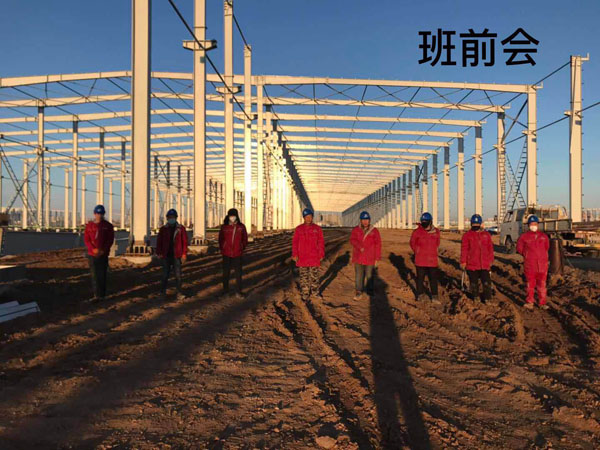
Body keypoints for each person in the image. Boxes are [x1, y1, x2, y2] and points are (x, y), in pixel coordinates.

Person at [516, 215, 550, 310]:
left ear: (538, 225)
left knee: (542, 285)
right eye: (531, 224)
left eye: (535, 224)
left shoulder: (543, 236)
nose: (533, 226)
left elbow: (547, 247)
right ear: (528, 225)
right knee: (530, 284)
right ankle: (530, 302)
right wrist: (527, 255)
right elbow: (519, 248)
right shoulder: (524, 237)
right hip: (530, 265)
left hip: (542, 265)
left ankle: (542, 303)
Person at [292, 208, 325, 301]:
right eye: (306, 217)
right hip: (302, 257)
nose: (308, 218)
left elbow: (321, 242)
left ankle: (315, 292)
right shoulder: (299, 229)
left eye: (310, 217)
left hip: (314, 256)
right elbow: (295, 242)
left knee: (314, 276)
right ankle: (305, 293)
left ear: (312, 217)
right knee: (304, 276)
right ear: (304, 218)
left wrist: (321, 254)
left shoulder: (317, 229)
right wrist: (295, 254)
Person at [83, 204, 115, 301]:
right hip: (92, 254)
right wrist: (93, 249)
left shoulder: (108, 226)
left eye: (101, 213)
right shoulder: (89, 226)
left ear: (104, 214)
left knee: (102, 274)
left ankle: (102, 295)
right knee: (94, 275)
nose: (99, 215)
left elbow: (110, 240)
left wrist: (103, 250)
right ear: (94, 214)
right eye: (97, 213)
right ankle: (96, 294)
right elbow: (87, 239)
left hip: (103, 254)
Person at [460, 214, 494, 303]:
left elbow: (490, 248)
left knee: (486, 283)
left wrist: (490, 260)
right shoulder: (467, 236)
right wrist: (463, 261)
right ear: (471, 224)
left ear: (480, 224)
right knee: (473, 283)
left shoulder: (486, 235)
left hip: (484, 264)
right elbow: (464, 249)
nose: (475, 226)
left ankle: (488, 299)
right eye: (474, 224)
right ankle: (476, 297)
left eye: (477, 224)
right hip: (472, 264)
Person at [156, 209, 188, 300]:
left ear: (176, 218)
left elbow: (184, 241)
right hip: (166, 255)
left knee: (178, 275)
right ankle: (162, 292)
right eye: (170, 217)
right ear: (167, 218)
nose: (171, 219)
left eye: (173, 217)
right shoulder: (163, 229)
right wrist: (159, 252)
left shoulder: (181, 229)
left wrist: (184, 253)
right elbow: (159, 242)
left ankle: (179, 293)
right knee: (165, 275)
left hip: (177, 255)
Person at [409, 212, 441, 304]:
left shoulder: (436, 232)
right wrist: (417, 251)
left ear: (430, 221)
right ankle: (420, 295)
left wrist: (432, 251)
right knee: (420, 279)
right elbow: (412, 243)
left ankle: (434, 297)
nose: (424, 223)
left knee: (433, 279)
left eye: (426, 221)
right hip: (420, 260)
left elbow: (437, 243)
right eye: (423, 221)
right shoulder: (417, 232)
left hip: (432, 260)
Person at [349, 211, 381, 300]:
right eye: (363, 220)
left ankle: (370, 291)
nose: (365, 221)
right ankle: (359, 291)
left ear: (369, 220)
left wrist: (377, 257)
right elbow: (352, 240)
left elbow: (378, 244)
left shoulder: (374, 231)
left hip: (370, 257)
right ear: (360, 220)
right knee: (359, 275)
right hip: (358, 257)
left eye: (367, 219)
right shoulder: (356, 230)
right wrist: (359, 246)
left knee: (369, 275)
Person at [218, 208, 248, 298]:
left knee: (238, 274)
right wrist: (222, 248)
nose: (232, 217)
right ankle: (225, 291)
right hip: (226, 253)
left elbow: (245, 238)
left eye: (234, 216)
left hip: (237, 253)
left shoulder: (241, 227)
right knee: (225, 273)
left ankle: (238, 292)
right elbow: (220, 239)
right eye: (231, 216)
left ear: (237, 216)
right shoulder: (224, 227)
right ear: (228, 216)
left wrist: (241, 247)